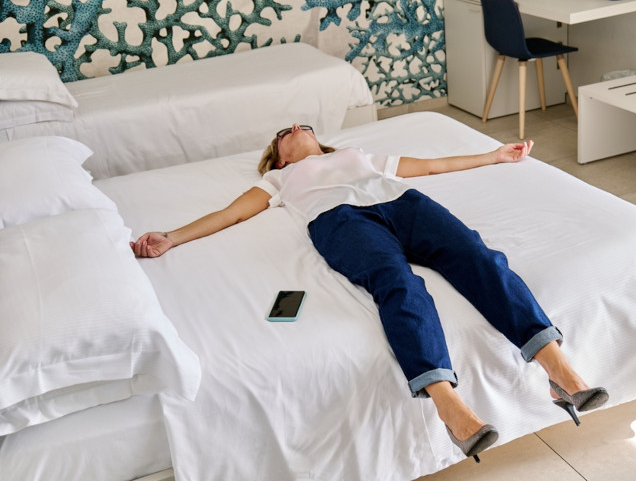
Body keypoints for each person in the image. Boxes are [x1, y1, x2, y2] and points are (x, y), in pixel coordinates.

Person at [131, 123, 608, 462]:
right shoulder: (277, 180)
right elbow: (231, 214)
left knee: (482, 261)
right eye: (284, 131)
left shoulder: (356, 157)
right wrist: (171, 236)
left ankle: (559, 371)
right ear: (278, 156)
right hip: (339, 220)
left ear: (321, 139)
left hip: (404, 204)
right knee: (398, 285)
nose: (295, 127)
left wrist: (493, 156)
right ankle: (449, 406)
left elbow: (432, 165)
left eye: (303, 124)